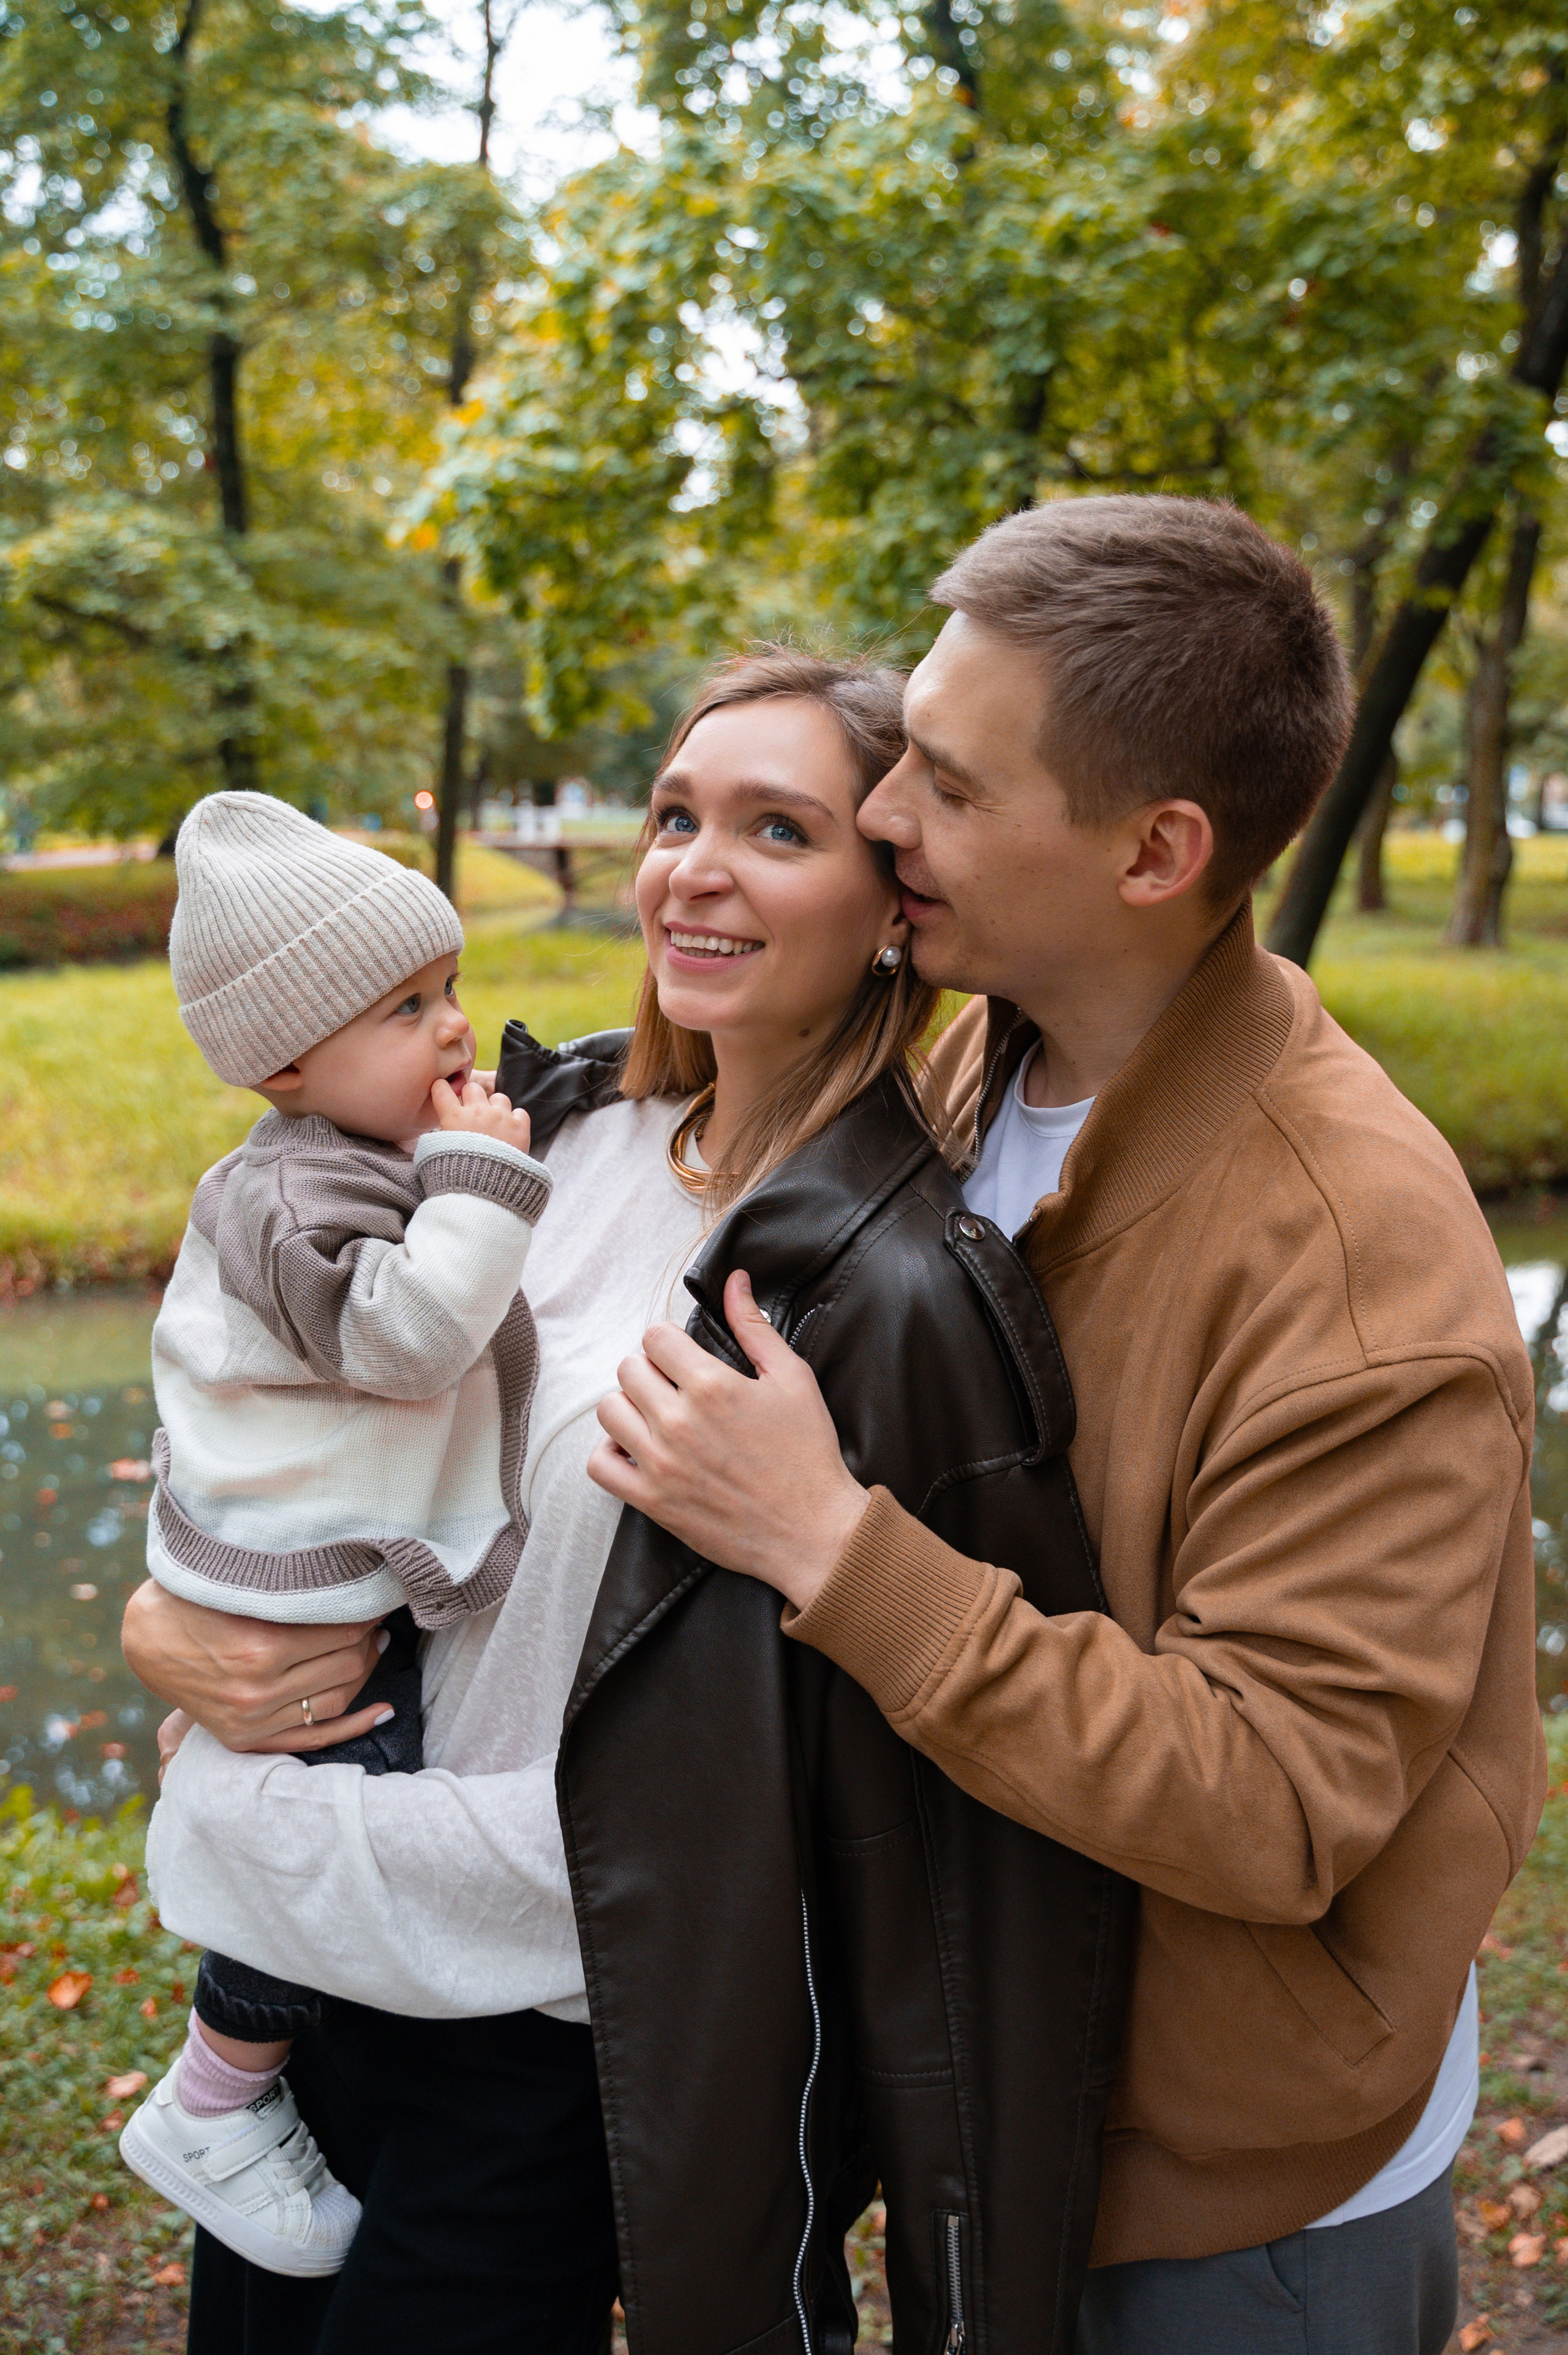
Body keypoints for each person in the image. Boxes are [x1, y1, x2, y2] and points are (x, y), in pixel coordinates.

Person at [587, 500, 1547, 2355]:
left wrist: (834, 1547)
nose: (883, 815)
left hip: (1234, 2196)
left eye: (947, 785)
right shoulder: (971, 1059)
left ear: (1155, 850)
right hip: (999, 2102)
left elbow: (1274, 1797)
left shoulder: (1357, 1265)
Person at [128, 651, 1128, 2355]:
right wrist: (178, 1620)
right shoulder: (554, 1127)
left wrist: (241, 1823)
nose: (695, 868)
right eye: (676, 817)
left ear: (893, 902)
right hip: (323, 1985)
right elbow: (281, 1404)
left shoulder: (876, 1281)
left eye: (780, 828)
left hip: (538, 2036)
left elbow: (755, 1812)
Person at [117, 792, 552, 2278]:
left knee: (311, 1786)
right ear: (288, 1063)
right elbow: (409, 1339)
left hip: (292, 1557)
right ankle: (213, 2097)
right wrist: (480, 1183)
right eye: (403, 1009)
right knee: (307, 1832)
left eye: (447, 987)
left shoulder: (340, 1152)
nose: (454, 1027)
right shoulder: (292, 1194)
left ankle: (242, 2084)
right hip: (285, 1578)